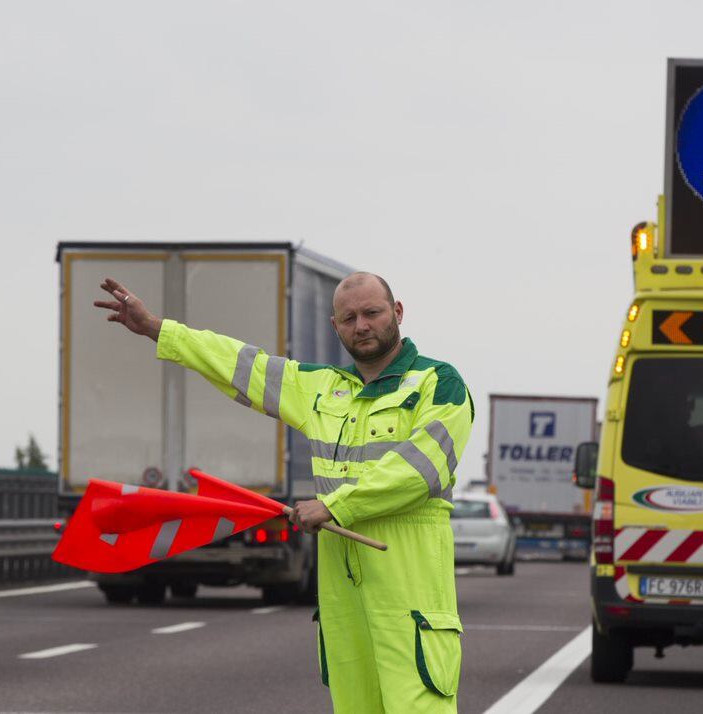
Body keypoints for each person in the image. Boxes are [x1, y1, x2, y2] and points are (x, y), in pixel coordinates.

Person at [94, 272, 473, 713]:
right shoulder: (324, 388)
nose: (362, 325)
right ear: (335, 327)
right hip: (342, 586)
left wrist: (334, 505)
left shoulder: (437, 382)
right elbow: (243, 365)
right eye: (349, 318)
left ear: (398, 313)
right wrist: (159, 329)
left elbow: (420, 468)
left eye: (372, 313)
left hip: (409, 579)